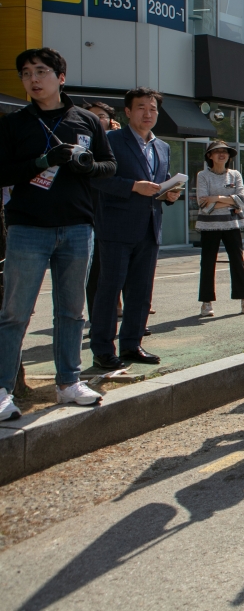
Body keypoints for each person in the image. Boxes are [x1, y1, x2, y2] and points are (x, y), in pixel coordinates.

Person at [0, 48, 116, 417]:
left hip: (78, 227)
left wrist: (85, 168)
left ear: (60, 77)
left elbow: (109, 166)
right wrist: (43, 161)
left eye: (41, 71)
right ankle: (3, 390)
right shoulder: (14, 124)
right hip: (27, 228)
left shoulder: (85, 120)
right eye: (26, 73)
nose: (33, 79)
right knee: (15, 313)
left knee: (71, 312)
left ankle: (68, 382)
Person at [91, 88, 182, 370]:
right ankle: (103, 350)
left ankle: (131, 344)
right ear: (128, 112)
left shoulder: (162, 147)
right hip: (116, 227)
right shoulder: (111, 140)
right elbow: (97, 179)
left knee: (141, 291)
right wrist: (133, 186)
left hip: (150, 226)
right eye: (141, 107)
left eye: (152, 109)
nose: (148, 113)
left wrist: (169, 193)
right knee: (109, 290)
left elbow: (159, 180)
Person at [195, 140, 244, 318]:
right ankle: (206, 303)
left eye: (225, 152)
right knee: (207, 262)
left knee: (237, 261)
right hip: (209, 226)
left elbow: (242, 199)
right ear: (209, 156)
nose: (222, 154)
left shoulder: (235, 174)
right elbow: (202, 202)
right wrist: (229, 200)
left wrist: (216, 198)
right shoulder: (202, 175)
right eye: (217, 151)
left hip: (232, 224)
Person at [83, 101, 119, 327]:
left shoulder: (122, 141)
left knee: (120, 269)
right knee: (94, 272)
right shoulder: (81, 143)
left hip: (116, 212)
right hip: (89, 210)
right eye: (91, 116)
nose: (97, 120)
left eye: (102, 116)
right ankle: (97, 321)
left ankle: (127, 315)